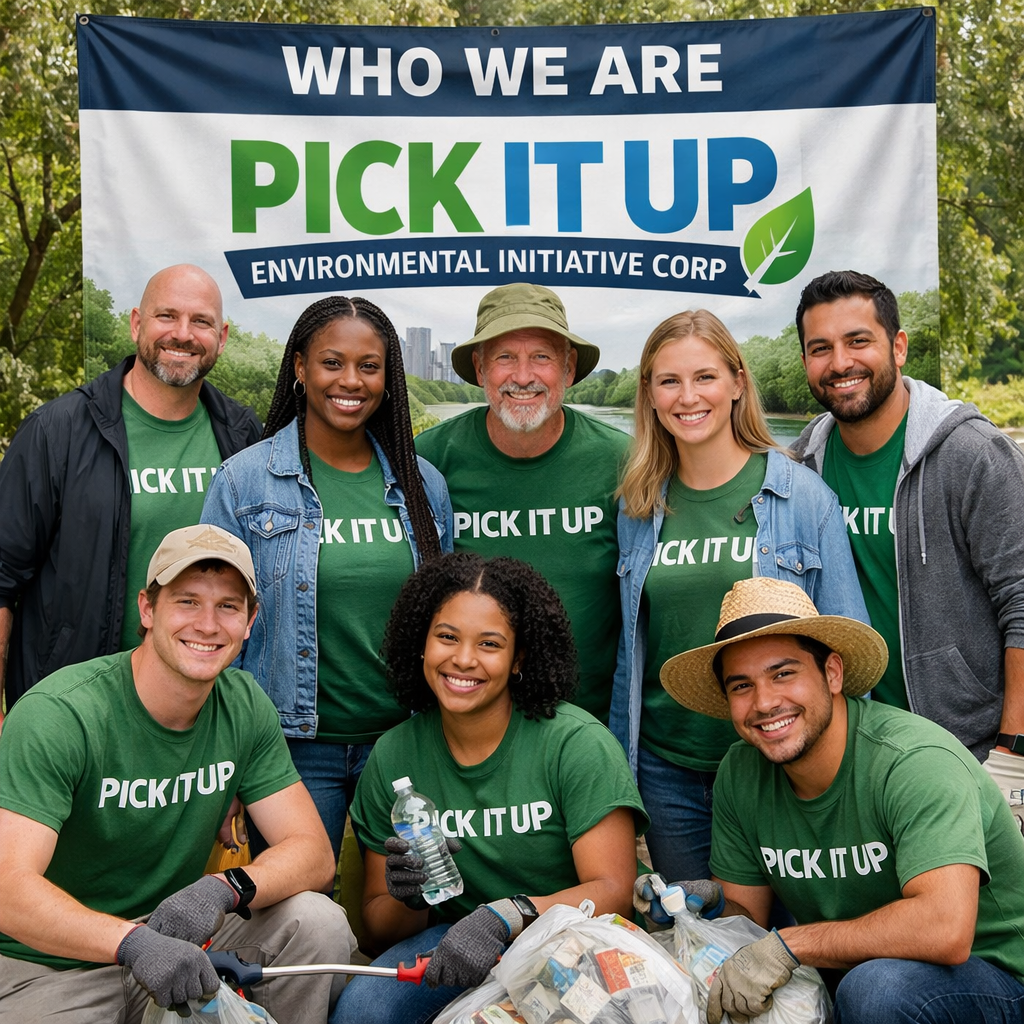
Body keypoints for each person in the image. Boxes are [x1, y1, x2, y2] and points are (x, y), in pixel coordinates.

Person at [0, 525, 356, 1023]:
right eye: (187, 601)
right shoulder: (60, 715)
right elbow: (9, 890)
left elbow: (313, 853)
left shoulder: (243, 704)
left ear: (250, 621)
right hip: (52, 965)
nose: (208, 625)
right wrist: (132, 941)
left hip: (182, 943)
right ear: (147, 609)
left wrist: (223, 888)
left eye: (228, 606)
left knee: (317, 922)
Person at [643, 576, 1024, 1024]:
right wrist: (701, 904)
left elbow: (945, 930)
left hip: (997, 978)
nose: (765, 702)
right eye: (741, 686)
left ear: (832, 673)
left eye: (783, 673)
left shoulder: (914, 761)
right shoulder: (741, 771)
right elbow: (748, 918)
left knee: (877, 988)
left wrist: (792, 946)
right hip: (860, 971)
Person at [335, 553, 648, 1024]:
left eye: (489, 644)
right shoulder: (395, 756)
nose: (463, 659)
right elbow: (381, 930)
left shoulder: (576, 744)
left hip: (574, 940)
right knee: (360, 1014)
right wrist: (412, 899)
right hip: (456, 938)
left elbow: (614, 891)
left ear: (519, 657)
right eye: (446, 637)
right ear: (420, 642)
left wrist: (509, 914)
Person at [611, 310, 867, 882]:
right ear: (649, 395)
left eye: (704, 377)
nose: (687, 396)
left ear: (736, 383)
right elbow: (634, 649)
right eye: (668, 381)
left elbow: (847, 655)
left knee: (789, 948)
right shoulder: (637, 506)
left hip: (776, 764)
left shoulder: (802, 496)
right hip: (667, 769)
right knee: (703, 944)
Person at [201, 295, 452, 863]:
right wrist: (226, 759)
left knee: (406, 908)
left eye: (369, 366)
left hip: (406, 743)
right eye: (332, 362)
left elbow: (446, 619)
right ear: (299, 368)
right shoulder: (244, 482)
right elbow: (215, 629)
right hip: (290, 750)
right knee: (303, 911)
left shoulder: (422, 486)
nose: (351, 381)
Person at [792, 270, 1024, 829]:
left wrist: (1014, 756)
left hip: (969, 752)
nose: (839, 362)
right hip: (855, 759)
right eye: (820, 348)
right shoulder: (800, 468)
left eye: (858, 341)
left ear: (897, 346)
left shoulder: (972, 455)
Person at [0, 264, 260, 728]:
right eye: (167, 316)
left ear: (221, 337)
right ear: (137, 323)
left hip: (199, 720)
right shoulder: (56, 433)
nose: (182, 334)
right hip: (73, 715)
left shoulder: (243, 437)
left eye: (200, 322)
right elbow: (1, 581)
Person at [415, 283, 628, 722]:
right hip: (465, 725)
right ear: (479, 368)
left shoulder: (622, 460)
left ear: (569, 369)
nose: (524, 375)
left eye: (542, 357)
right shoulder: (429, 460)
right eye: (505, 357)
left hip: (592, 725)